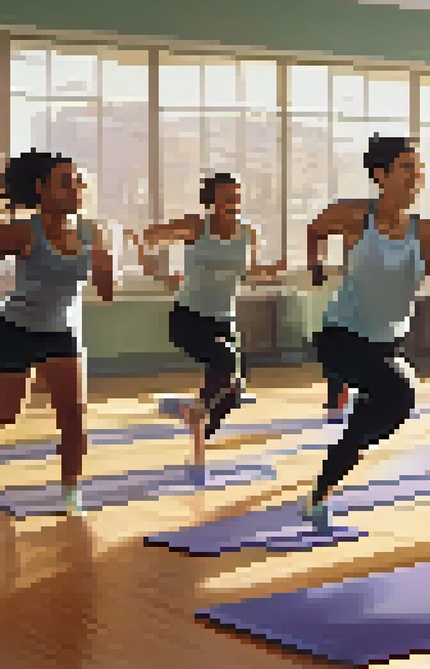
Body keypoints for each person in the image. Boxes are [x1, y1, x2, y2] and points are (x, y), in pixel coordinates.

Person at [300, 136, 430, 531]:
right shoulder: (353, 216)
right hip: (340, 337)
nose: (416, 176)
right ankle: (342, 434)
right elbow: (315, 229)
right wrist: (316, 264)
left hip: (387, 343)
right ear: (381, 175)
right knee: (400, 393)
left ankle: (321, 490)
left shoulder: (429, 233)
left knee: (389, 409)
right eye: (407, 167)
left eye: (418, 169)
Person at [136, 173, 285, 463]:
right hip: (188, 319)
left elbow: (246, 273)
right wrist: (160, 273)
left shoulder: (247, 233)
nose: (233, 203)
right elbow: (148, 239)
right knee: (225, 363)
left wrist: (269, 272)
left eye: (237, 197)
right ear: (211, 201)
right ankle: (197, 410)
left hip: (223, 321)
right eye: (227, 197)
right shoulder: (195, 226)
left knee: (234, 389)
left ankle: (200, 431)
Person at [0, 150, 117, 513]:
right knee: (7, 413)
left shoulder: (91, 232)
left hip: (62, 332)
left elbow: (107, 293)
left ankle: (71, 494)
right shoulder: (23, 230)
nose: (76, 189)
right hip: (16, 329)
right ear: (41, 188)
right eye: (65, 182)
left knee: (73, 413)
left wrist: (105, 264)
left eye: (78, 182)